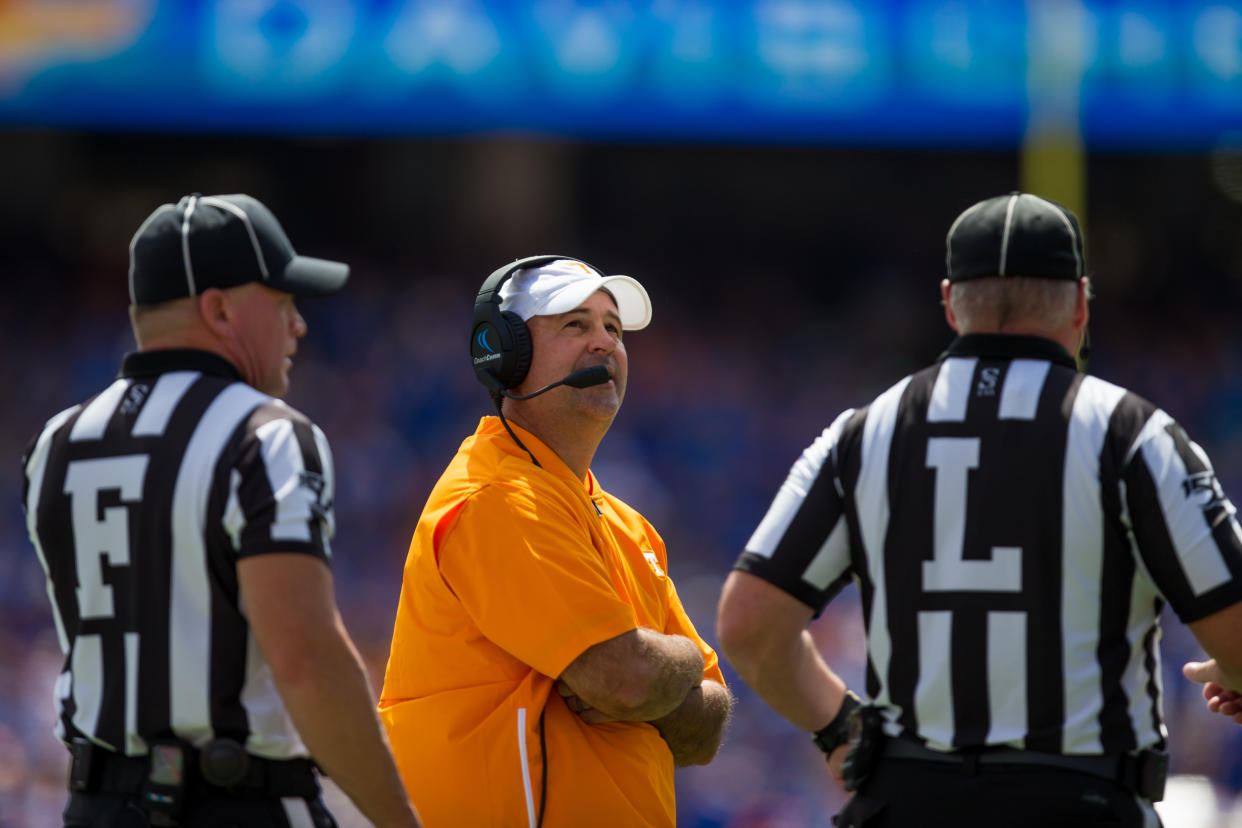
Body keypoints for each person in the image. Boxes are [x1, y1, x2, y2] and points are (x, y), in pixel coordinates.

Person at [715, 192, 1242, 827]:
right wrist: (1231, 668)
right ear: (1079, 304)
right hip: (1081, 801)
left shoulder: (865, 431)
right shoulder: (1133, 434)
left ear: (949, 302)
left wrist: (840, 727)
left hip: (910, 800)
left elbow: (750, 622)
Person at [21, 193, 421, 828]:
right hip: (234, 803)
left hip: (94, 806)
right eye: (282, 300)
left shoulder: (57, 441)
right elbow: (304, 655)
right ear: (219, 308)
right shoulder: (265, 435)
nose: (299, 325)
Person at [379, 255, 733, 827]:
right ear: (504, 351)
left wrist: (665, 669)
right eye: (574, 324)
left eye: (613, 328)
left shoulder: (630, 525)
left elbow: (707, 728)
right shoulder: (494, 495)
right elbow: (625, 679)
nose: (604, 344)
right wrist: (676, 668)